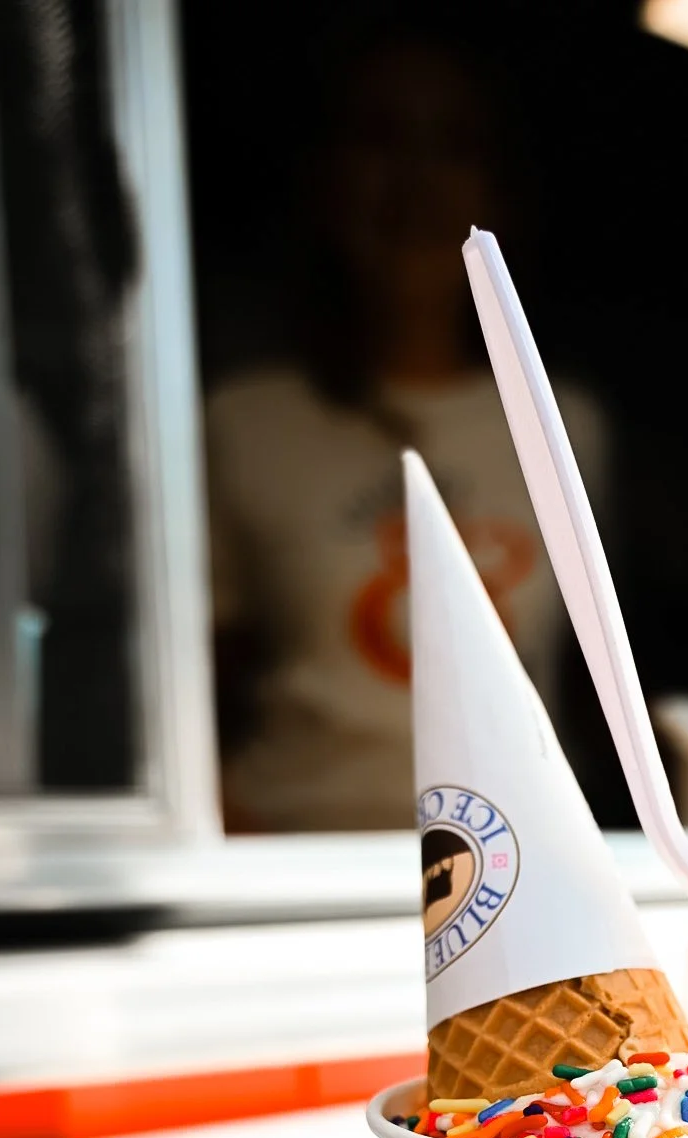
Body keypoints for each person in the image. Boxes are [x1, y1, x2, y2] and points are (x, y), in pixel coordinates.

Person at [204, 29, 605, 831]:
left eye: (451, 147)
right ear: (326, 179)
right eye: (381, 138)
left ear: (500, 191)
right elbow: (184, 698)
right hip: (292, 860)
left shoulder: (562, 423)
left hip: (509, 876)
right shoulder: (244, 420)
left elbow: (575, 694)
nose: (416, 182)